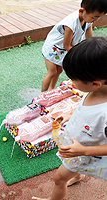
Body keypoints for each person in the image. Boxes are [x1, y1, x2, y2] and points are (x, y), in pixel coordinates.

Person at [32, 37, 107, 200]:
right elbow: (87, 110)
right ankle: (78, 175)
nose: (70, 82)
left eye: (74, 79)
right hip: (80, 150)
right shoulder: (94, 91)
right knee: (64, 176)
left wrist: (84, 151)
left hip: (89, 153)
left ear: (95, 84)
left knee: (59, 178)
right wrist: (70, 115)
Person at [41, 0, 107, 92]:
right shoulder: (70, 24)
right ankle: (42, 95)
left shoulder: (88, 19)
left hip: (64, 50)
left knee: (59, 70)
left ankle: (52, 88)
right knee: (52, 72)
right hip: (53, 48)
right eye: (95, 17)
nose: (96, 20)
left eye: (99, 17)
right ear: (81, 11)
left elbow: (90, 39)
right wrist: (81, 57)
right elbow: (67, 45)